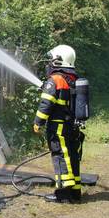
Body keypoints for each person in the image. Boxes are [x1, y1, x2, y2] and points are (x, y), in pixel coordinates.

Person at [33, 44, 83, 203]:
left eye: (52, 59)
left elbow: (46, 103)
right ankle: (75, 191)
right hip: (70, 125)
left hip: (58, 125)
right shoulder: (72, 79)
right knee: (71, 156)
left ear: (60, 60)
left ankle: (63, 194)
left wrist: (38, 122)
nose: (50, 63)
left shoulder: (55, 79)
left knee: (61, 156)